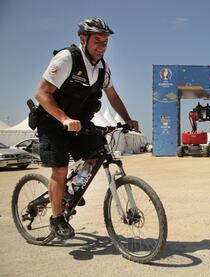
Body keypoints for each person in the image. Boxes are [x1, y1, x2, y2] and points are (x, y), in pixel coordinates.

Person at [34, 17, 139, 240]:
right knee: (60, 170)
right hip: (53, 122)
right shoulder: (67, 59)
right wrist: (63, 119)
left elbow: (113, 96)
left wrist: (128, 119)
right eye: (97, 40)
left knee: (97, 152)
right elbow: (42, 94)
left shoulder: (103, 69)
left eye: (105, 42)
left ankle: (70, 192)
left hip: (79, 124)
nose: (102, 46)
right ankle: (56, 219)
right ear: (83, 39)